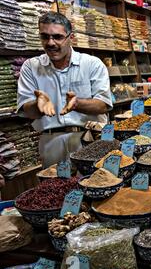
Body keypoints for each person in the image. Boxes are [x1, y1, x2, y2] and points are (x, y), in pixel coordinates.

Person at [17, 12, 112, 168]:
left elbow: (104, 104)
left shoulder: (91, 64)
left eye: (57, 37)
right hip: (50, 142)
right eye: (45, 37)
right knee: (54, 188)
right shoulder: (31, 67)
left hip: (89, 138)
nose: (51, 42)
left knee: (94, 184)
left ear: (71, 37)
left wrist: (77, 104)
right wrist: (37, 105)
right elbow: (27, 111)